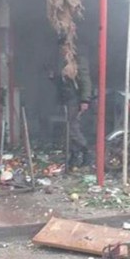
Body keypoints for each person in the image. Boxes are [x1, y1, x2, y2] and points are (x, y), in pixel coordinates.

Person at [58, 40, 92, 169]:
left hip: (75, 99)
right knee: (69, 129)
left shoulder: (78, 62)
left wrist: (85, 100)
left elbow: (85, 81)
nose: (62, 50)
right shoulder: (64, 63)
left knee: (73, 129)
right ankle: (74, 156)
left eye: (64, 47)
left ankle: (87, 152)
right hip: (67, 99)